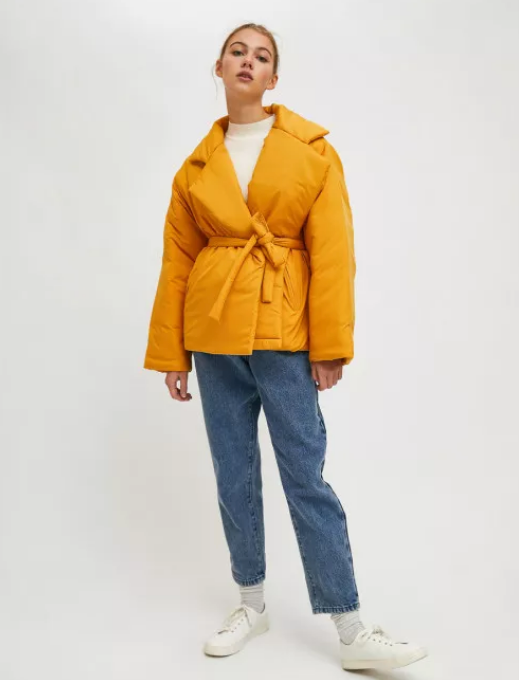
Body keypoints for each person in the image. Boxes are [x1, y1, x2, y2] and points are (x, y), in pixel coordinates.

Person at [143, 22, 428, 672]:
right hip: (213, 333)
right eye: (237, 51)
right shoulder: (195, 167)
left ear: (273, 78)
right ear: (219, 67)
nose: (248, 61)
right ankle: (251, 605)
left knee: (305, 476)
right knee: (233, 474)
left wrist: (330, 344)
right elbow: (177, 261)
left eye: (261, 55)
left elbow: (333, 253)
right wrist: (171, 354)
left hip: (283, 331)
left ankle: (350, 628)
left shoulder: (312, 151)